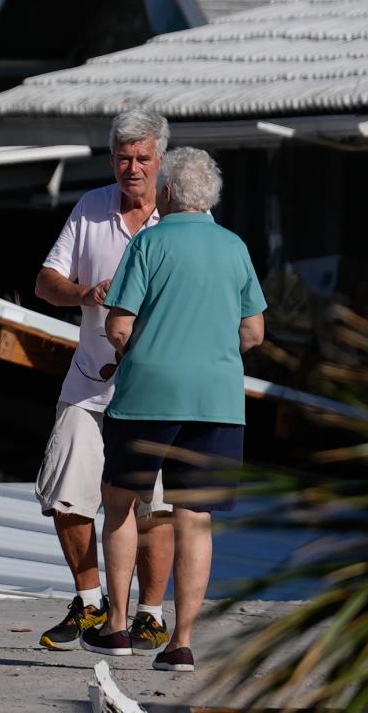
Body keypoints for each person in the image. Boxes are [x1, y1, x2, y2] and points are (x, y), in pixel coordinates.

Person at [84, 147, 266, 672]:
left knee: (120, 503)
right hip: (218, 401)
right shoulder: (235, 247)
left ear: (166, 192)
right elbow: (254, 331)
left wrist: (132, 348)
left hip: (149, 395)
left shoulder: (149, 242)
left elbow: (118, 325)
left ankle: (117, 626)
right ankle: (181, 642)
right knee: (195, 516)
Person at [31, 111, 177, 652]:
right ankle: (90, 603)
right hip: (89, 379)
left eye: (142, 158)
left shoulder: (181, 213)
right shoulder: (91, 205)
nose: (131, 168)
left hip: (158, 388)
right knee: (67, 494)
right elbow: (46, 282)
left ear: (160, 159)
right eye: (122, 157)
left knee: (154, 505)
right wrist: (87, 293)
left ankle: (151, 613)